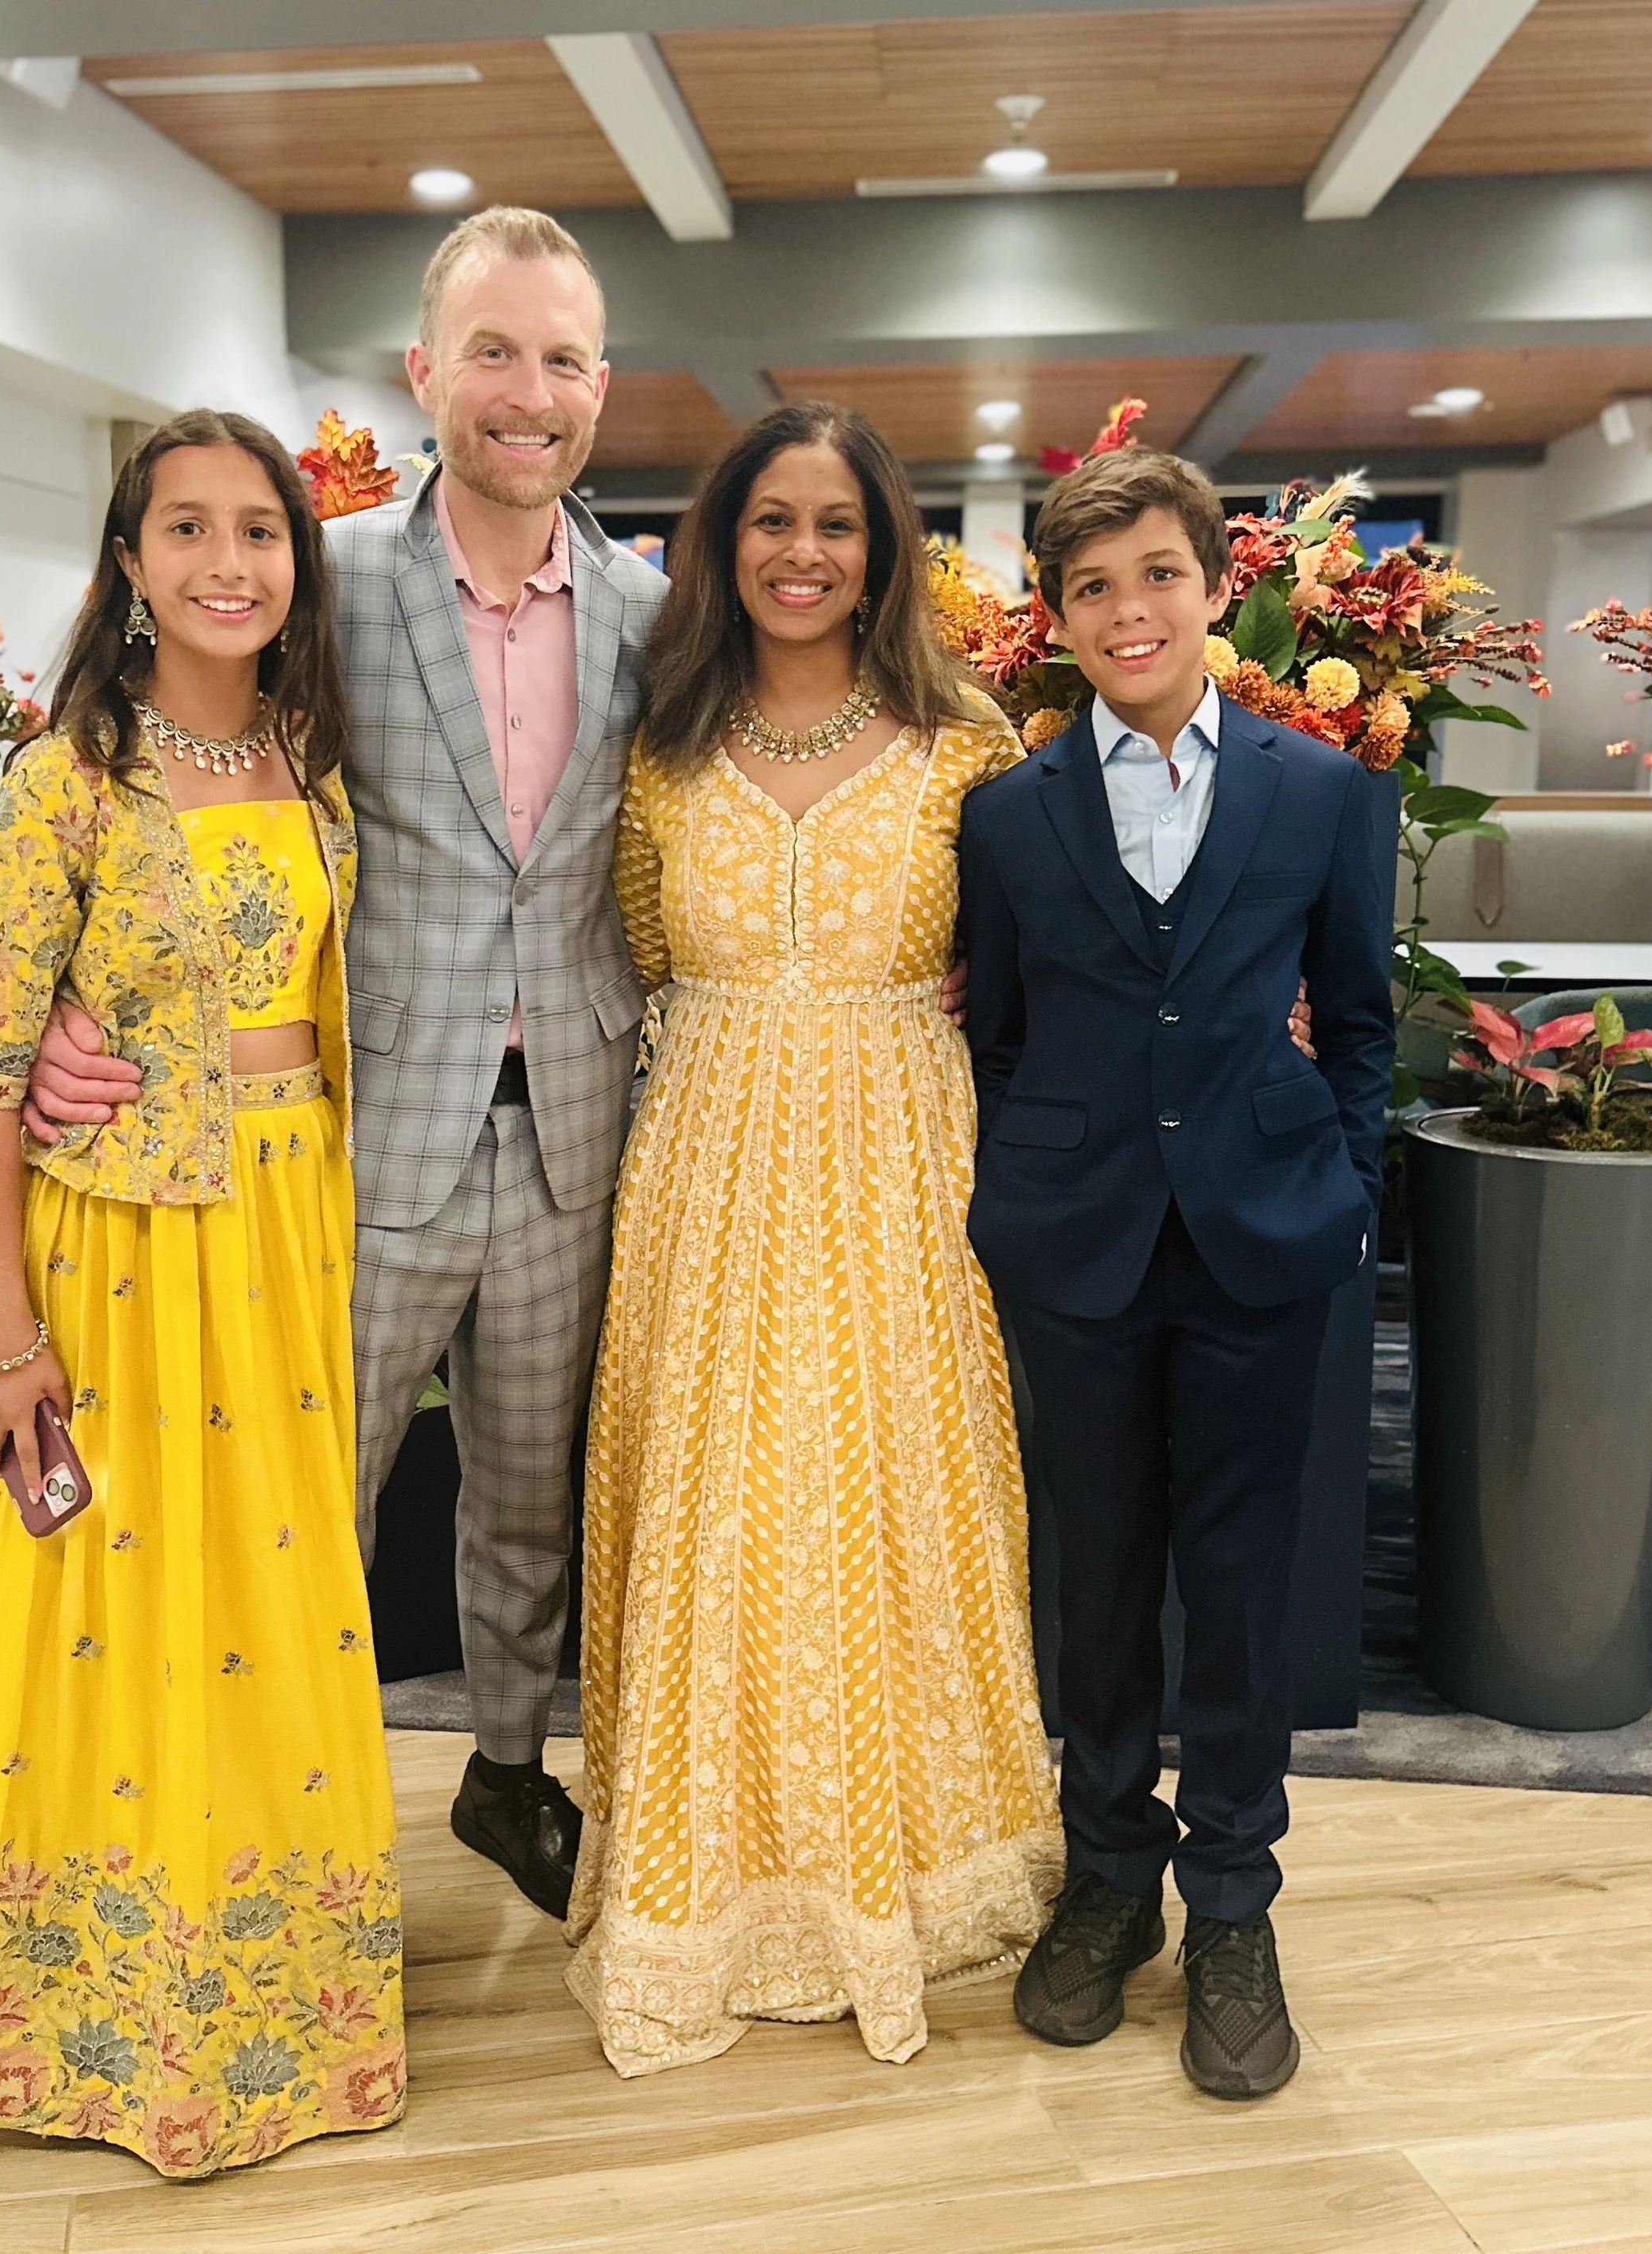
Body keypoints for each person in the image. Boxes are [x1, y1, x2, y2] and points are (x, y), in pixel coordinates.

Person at [18, 209, 667, 1922]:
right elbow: (126, 751)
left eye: (558, 358)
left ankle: (508, 1770)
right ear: (423, 372)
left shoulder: (653, 612)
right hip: (356, 1131)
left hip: (573, 1133)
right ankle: (275, 1823)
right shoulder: (324, 578)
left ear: (600, 386)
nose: (525, 392)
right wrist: (70, 1006)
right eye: (491, 352)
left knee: (528, 1497)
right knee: (304, 1500)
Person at [0, 412, 405, 2177]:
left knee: (273, 1609)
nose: (228, 562)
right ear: (127, 560)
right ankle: (88, 2015)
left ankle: (267, 2002)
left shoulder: (312, 767)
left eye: (260, 530)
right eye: (188, 529)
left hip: (287, 1232)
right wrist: (5, 1338)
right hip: (121, 1254)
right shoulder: (60, 781)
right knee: (114, 1618)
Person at [566, 402, 1064, 2077]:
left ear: (882, 549)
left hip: (903, 1167)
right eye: (768, 520)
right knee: (718, 1503)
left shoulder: (967, 744)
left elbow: (1023, 968)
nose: (798, 553)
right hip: (704, 1156)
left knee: (893, 1496)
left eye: (833, 524)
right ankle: (704, 1883)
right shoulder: (657, 742)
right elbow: (638, 948)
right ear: (721, 543)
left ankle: (916, 1868)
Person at [957, 447, 1394, 2100]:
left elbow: (1357, 1021)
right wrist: (1024, 1189)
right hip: (1072, 1245)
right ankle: (1102, 1877)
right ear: (1055, 620)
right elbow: (996, 1034)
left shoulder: (1321, 793)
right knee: (1096, 1576)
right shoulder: (1004, 818)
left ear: (1216, 590)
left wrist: (1342, 1189)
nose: (1127, 608)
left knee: (1235, 1581)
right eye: (1090, 586)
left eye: (1156, 574)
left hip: (1260, 1236)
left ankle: (1230, 1899)